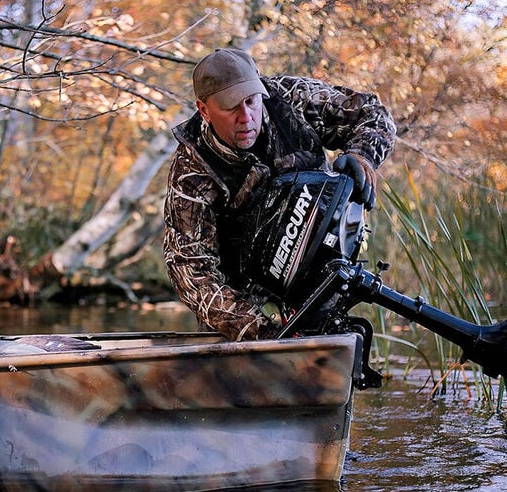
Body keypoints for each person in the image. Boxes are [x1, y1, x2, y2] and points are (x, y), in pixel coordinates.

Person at [163, 48, 396, 341]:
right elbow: (190, 271)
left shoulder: (291, 98)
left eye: (251, 101)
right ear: (204, 110)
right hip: (239, 286)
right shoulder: (191, 171)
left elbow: (373, 113)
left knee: (328, 340)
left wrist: (362, 156)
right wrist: (262, 332)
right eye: (230, 107)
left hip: (317, 252)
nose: (246, 116)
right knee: (233, 353)